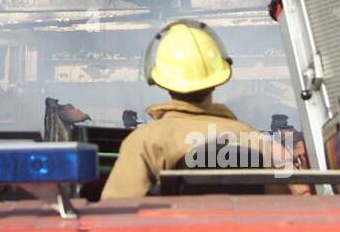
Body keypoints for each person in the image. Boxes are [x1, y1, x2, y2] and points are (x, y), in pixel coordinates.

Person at [101, 19, 288, 199]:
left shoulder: (144, 142)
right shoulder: (251, 137)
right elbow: (281, 206)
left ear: (163, 82)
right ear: (217, 80)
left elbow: (117, 210)